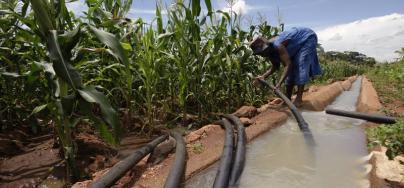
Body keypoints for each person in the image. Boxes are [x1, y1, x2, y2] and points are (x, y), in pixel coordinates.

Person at [250, 27, 322, 107]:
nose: (262, 55)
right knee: (290, 72)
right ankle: (287, 100)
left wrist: (279, 84)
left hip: (307, 38)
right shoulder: (269, 52)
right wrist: (263, 76)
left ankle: (299, 99)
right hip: (295, 46)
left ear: (266, 48)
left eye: (262, 52)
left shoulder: (278, 45)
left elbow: (288, 65)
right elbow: (275, 66)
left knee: (300, 64)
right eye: (260, 54)